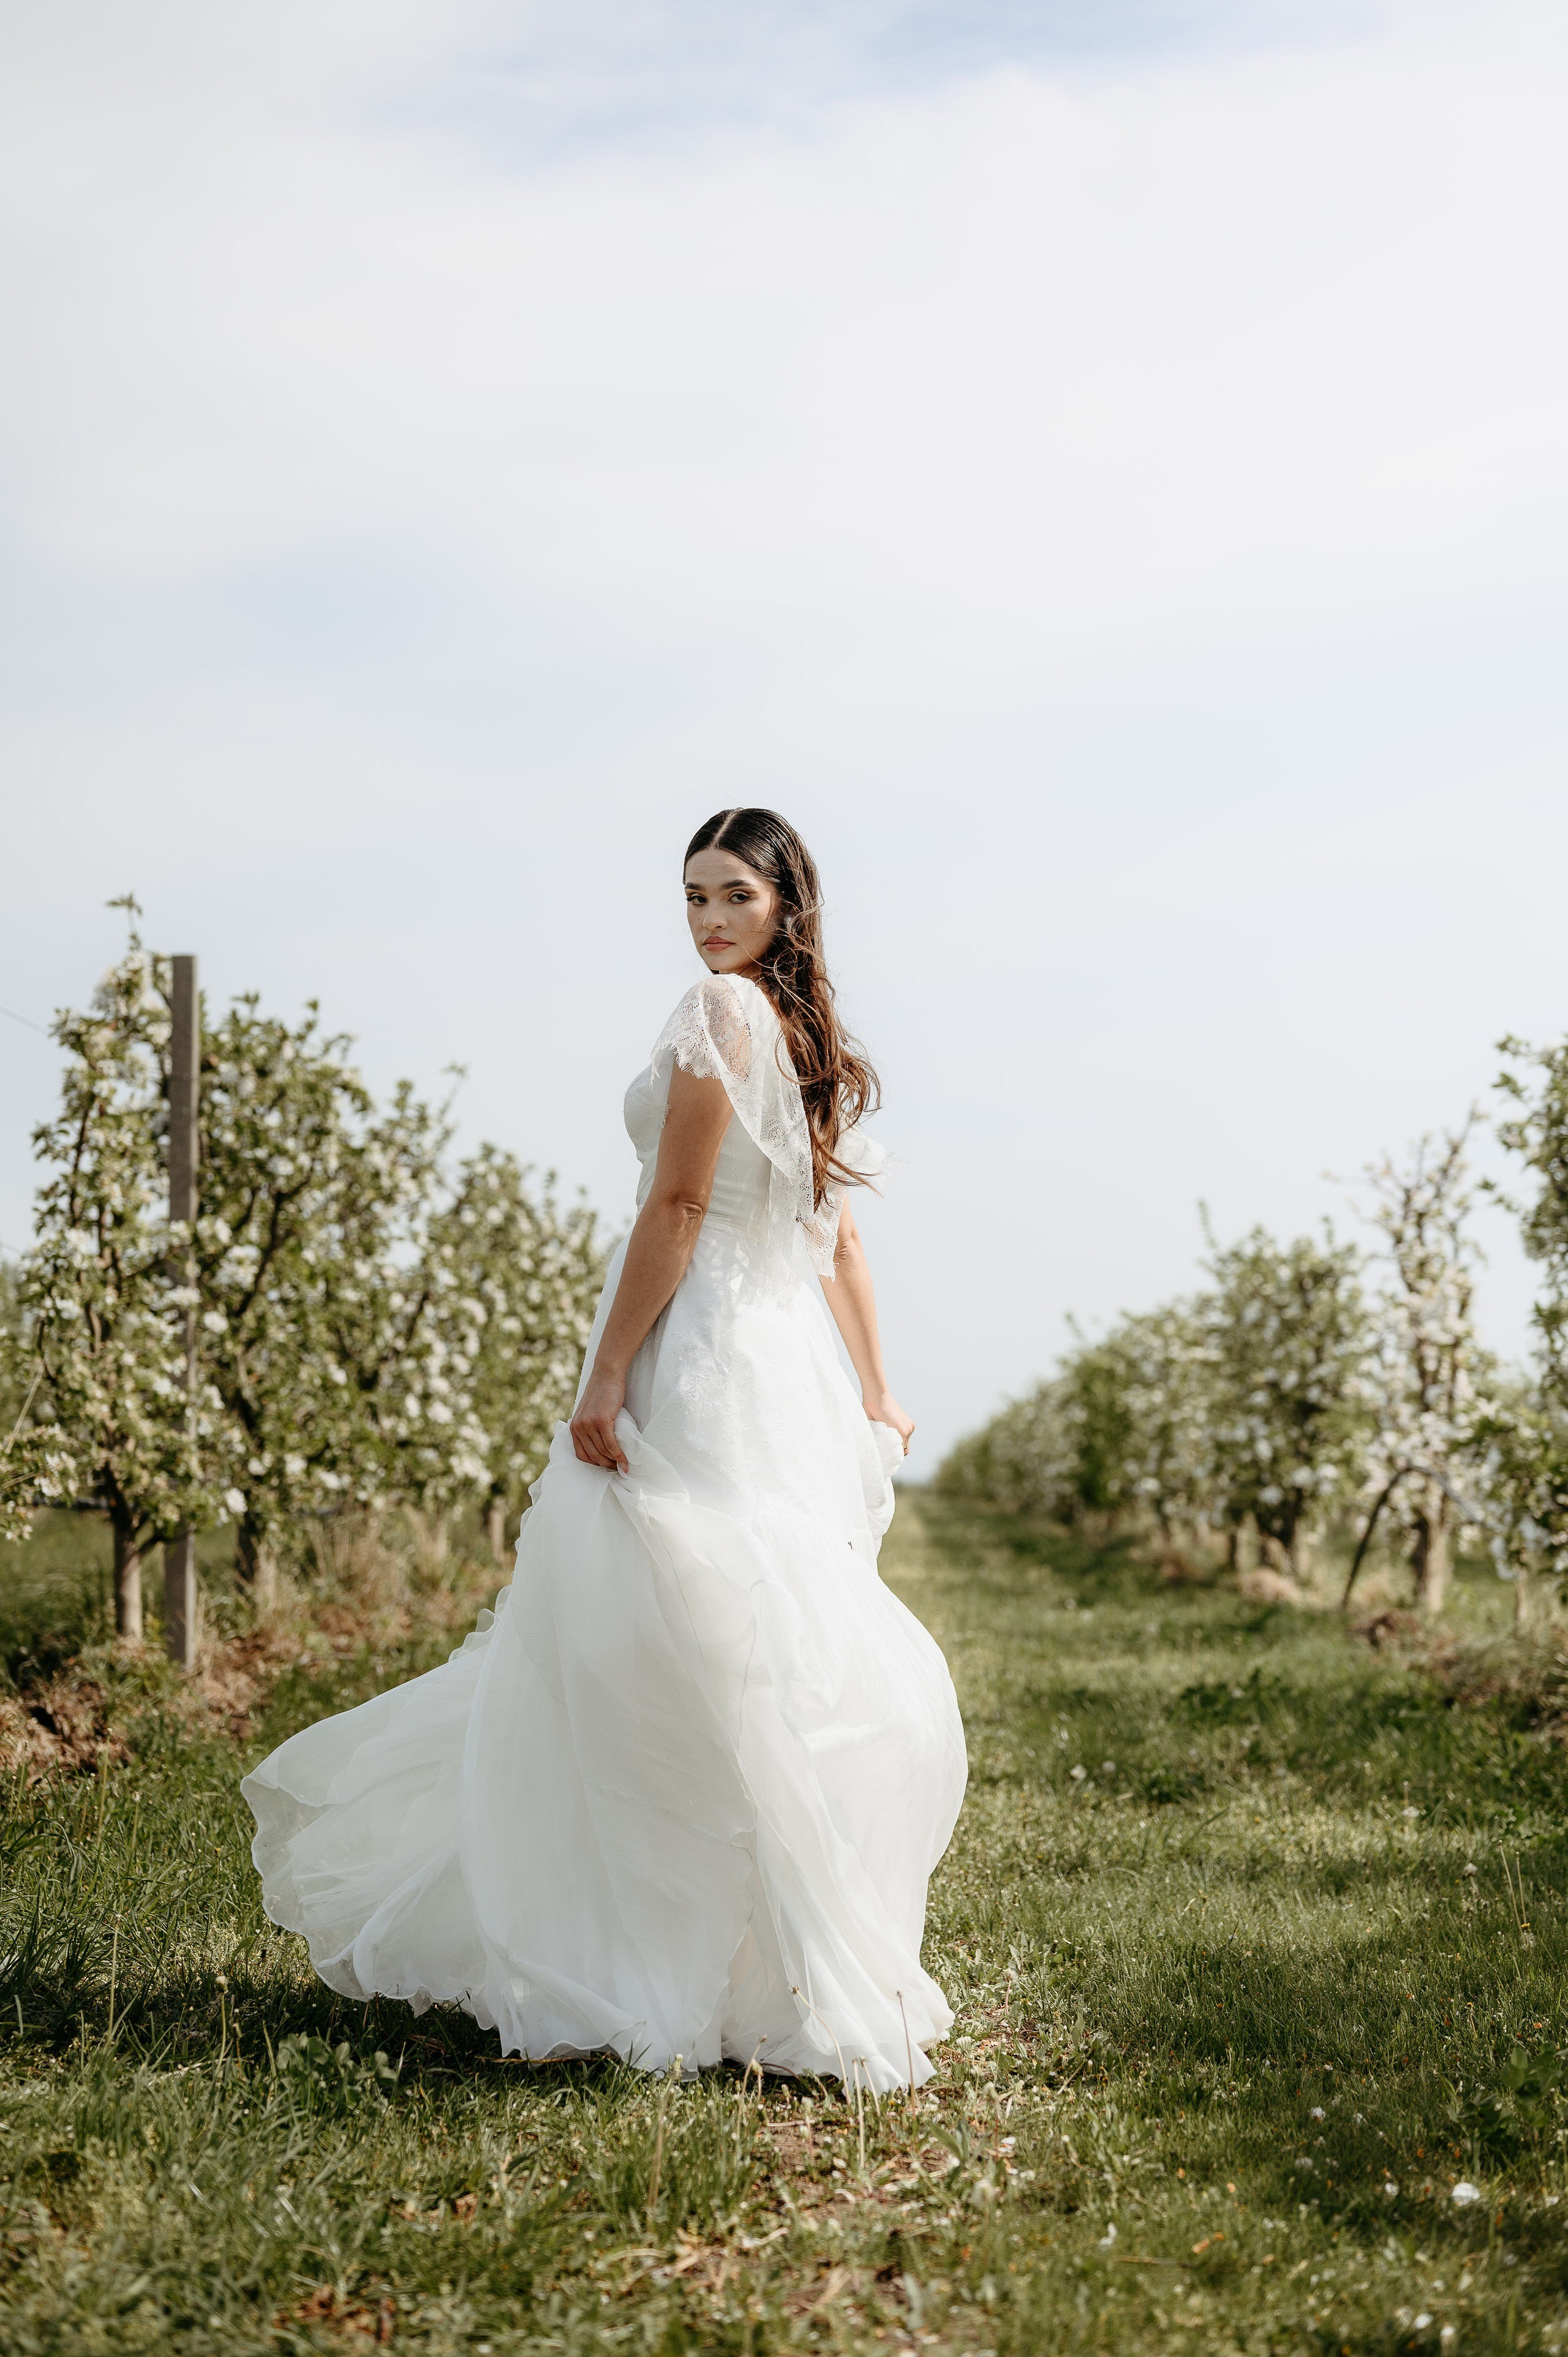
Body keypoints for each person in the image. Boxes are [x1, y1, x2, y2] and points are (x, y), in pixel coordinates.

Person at [243, 808, 967, 2092]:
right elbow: (835, 1238)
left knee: (644, 1645)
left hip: (702, 1354)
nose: (705, 920)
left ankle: (649, 1967)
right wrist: (871, 1385)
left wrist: (611, 1369)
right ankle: (762, 1969)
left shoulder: (719, 1012)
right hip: (781, 1357)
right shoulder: (806, 1037)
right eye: (691, 896)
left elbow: (679, 1204)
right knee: (750, 1644)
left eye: (732, 895)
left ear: (784, 903)